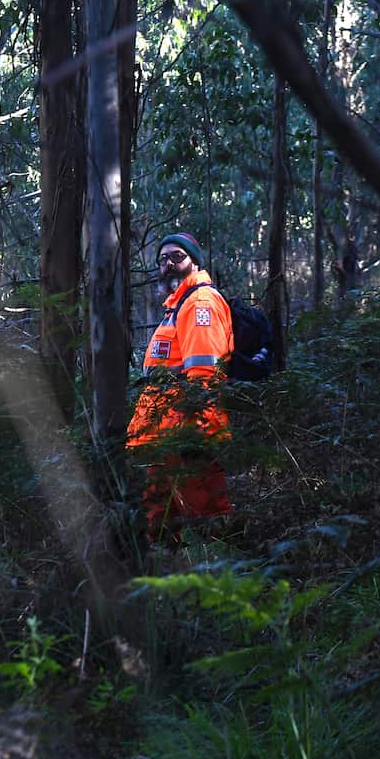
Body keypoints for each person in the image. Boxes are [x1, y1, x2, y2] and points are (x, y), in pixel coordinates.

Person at [127, 233, 234, 543]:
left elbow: (204, 371)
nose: (168, 265)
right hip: (165, 432)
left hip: (184, 430)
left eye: (176, 257)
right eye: (162, 259)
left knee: (205, 514)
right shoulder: (178, 306)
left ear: (194, 261)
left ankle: (222, 576)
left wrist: (195, 430)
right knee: (161, 519)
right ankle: (168, 578)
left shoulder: (200, 303)